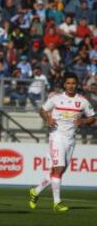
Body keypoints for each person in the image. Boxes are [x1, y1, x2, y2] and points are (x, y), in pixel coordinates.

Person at [29, 72, 95, 212]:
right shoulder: (56, 98)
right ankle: (57, 202)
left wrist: (83, 121)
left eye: (73, 83)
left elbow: (93, 118)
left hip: (71, 139)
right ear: (64, 84)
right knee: (58, 169)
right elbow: (42, 110)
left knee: (58, 171)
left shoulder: (82, 101)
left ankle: (35, 191)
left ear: (77, 85)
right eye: (68, 83)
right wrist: (48, 119)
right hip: (57, 136)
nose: (71, 86)